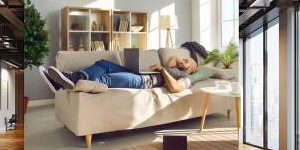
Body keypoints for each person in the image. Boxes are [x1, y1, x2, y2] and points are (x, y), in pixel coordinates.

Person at [49, 56, 198, 93]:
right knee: (103, 63)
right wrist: (182, 62)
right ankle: (70, 80)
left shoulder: (187, 77)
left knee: (106, 79)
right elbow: (173, 58)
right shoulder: (175, 67)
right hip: (139, 73)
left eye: (186, 61)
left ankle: (68, 80)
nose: (181, 61)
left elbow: (175, 88)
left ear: (191, 70)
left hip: (143, 82)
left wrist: (162, 70)